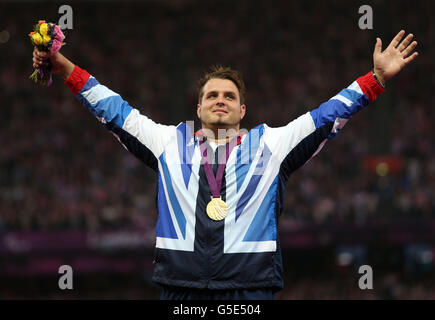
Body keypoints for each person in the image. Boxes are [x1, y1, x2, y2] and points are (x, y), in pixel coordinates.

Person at [32, 30, 418, 300]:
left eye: (229, 96)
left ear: (242, 109)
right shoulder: (168, 143)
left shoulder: (271, 144)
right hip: (179, 290)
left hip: (250, 291)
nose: (221, 100)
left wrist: (376, 79)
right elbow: (113, 110)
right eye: (212, 95)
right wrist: (63, 66)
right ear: (198, 108)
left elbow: (325, 117)